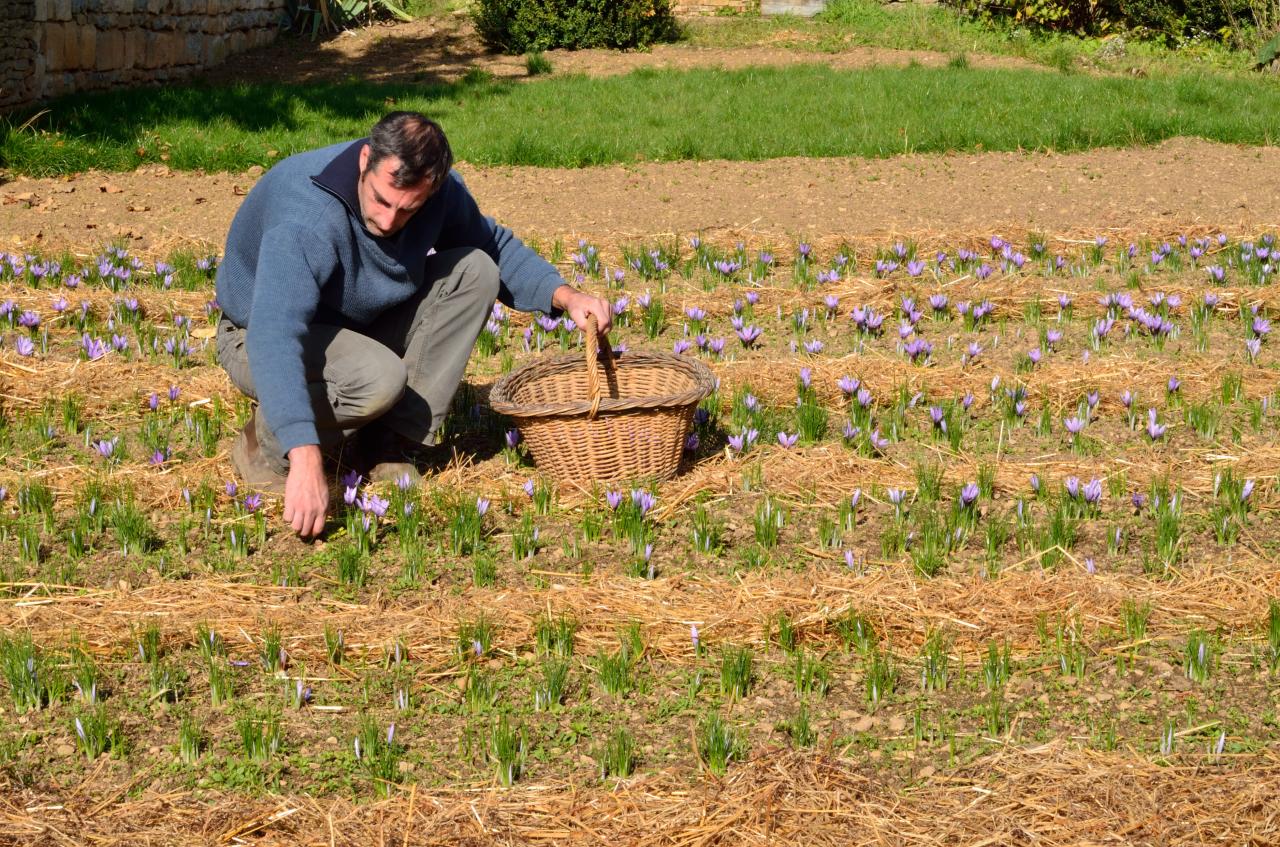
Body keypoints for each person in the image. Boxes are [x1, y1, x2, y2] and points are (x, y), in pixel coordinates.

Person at [215, 111, 612, 538]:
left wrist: (565, 295)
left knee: (475, 271)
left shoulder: (436, 193)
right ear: (366, 158)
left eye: (407, 210)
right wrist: (306, 455)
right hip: (256, 334)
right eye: (382, 200)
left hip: (353, 325)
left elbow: (490, 246)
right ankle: (266, 446)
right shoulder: (307, 215)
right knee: (378, 378)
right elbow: (275, 334)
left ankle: (385, 443)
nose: (388, 221)